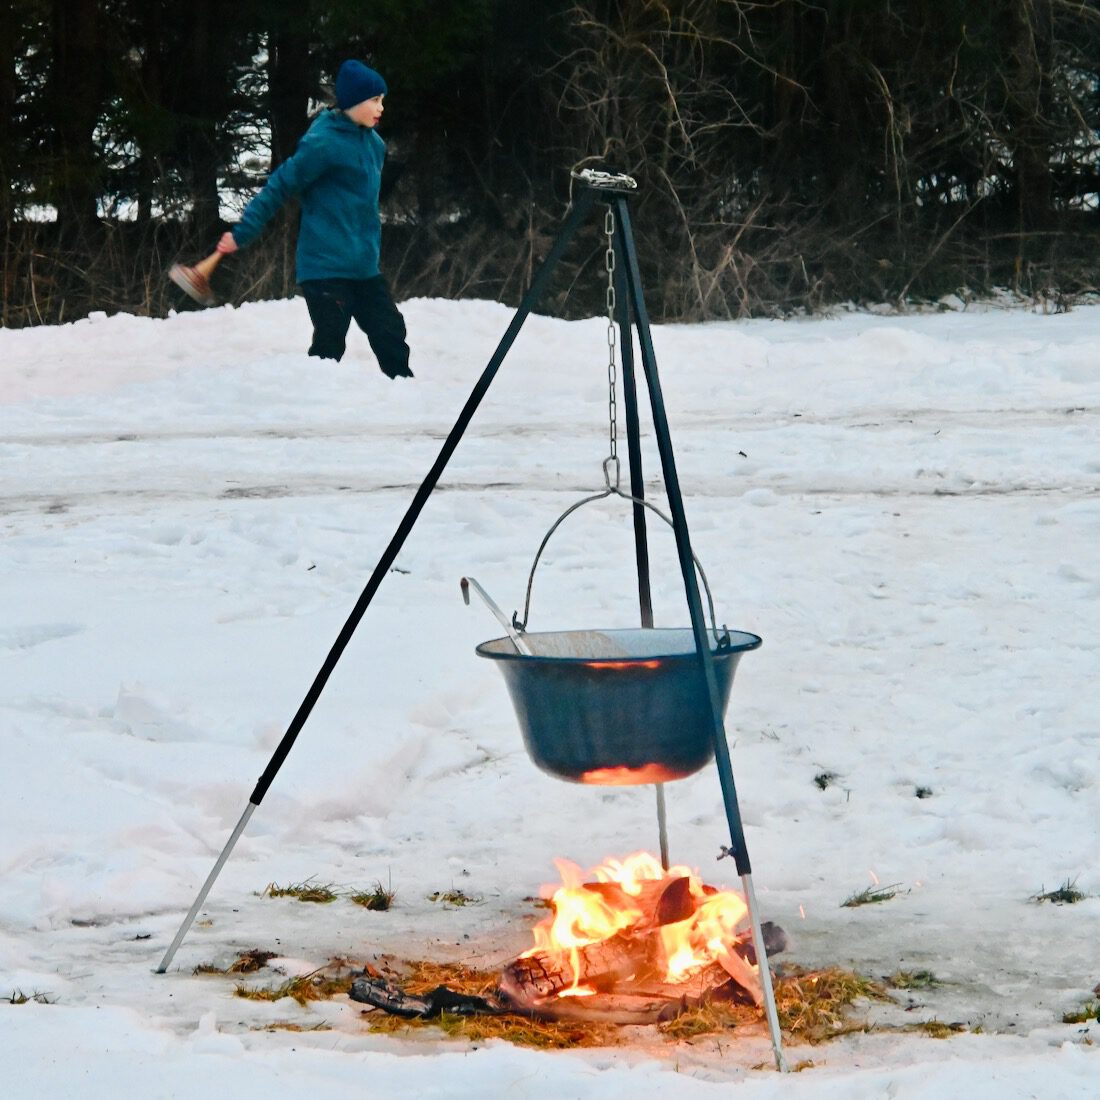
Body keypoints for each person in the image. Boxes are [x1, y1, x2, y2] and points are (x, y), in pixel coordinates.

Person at [217, 60, 412, 379]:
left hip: (364, 267)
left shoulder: (375, 145)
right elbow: (280, 184)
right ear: (353, 102)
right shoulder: (323, 143)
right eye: (375, 100)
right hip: (324, 267)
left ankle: (407, 394)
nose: (381, 107)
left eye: (382, 100)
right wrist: (244, 231)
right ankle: (313, 408)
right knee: (330, 343)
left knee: (390, 332)